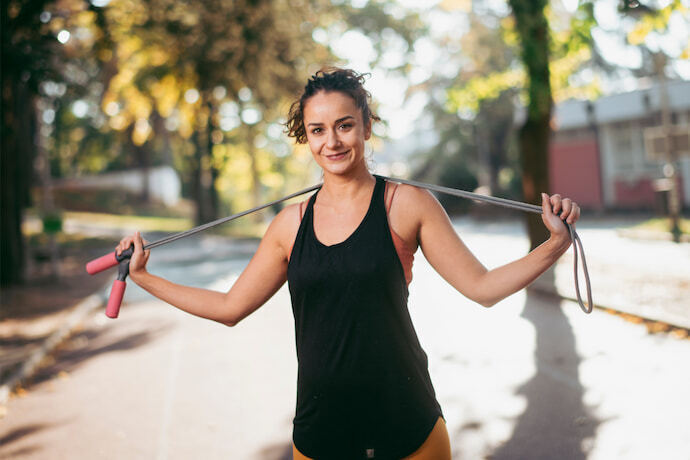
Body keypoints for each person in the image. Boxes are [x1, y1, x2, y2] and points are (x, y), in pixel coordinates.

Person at [116, 67, 580, 460]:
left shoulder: (407, 204)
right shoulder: (288, 225)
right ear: (306, 137)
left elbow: (482, 287)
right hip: (322, 432)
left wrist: (553, 246)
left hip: (408, 423)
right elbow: (230, 307)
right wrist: (144, 277)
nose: (332, 142)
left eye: (344, 125)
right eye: (318, 130)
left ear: (365, 127)